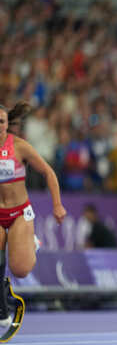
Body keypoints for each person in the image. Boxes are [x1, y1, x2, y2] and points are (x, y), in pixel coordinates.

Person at [0, 102, 67, 329]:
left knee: (21, 269)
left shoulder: (20, 147)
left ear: (8, 124)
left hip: (19, 213)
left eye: (1, 122)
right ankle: (2, 301)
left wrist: (57, 205)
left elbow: (48, 172)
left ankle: (31, 242)